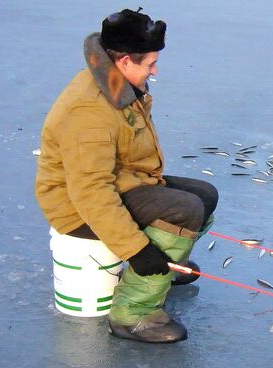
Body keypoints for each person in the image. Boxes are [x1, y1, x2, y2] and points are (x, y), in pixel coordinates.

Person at [35, 8, 218, 343]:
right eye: (150, 63)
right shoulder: (88, 112)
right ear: (124, 62)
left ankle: (166, 267)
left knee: (205, 194)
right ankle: (133, 313)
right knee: (185, 209)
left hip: (121, 181)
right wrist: (137, 250)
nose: (155, 70)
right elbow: (90, 192)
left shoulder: (117, 83)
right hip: (76, 207)